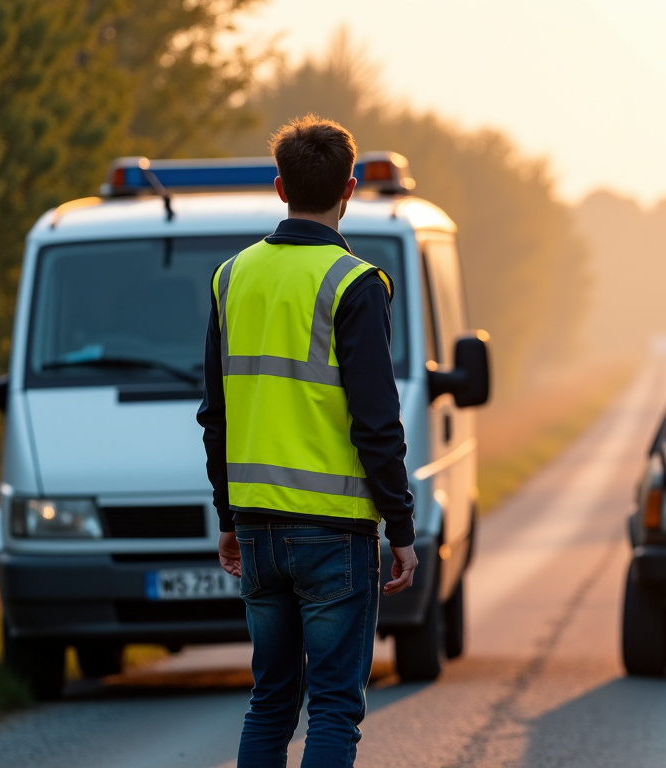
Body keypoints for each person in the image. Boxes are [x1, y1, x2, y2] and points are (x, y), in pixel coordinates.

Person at [197, 115, 417, 768]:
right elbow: (376, 424)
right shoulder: (356, 284)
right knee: (334, 708)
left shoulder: (231, 278)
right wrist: (401, 527)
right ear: (349, 189)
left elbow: (217, 415)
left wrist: (227, 516)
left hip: (258, 526)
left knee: (269, 702)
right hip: (335, 532)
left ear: (279, 186)